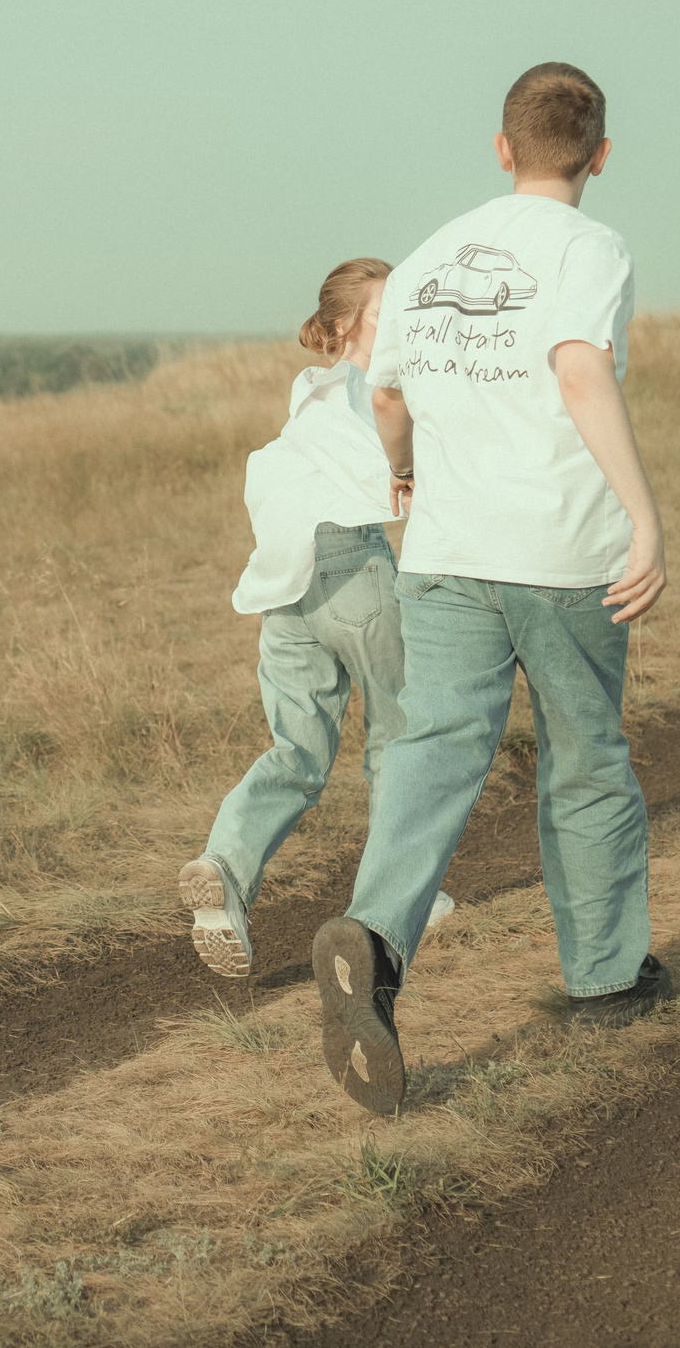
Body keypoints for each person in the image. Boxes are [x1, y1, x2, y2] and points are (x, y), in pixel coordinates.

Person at [312, 62, 670, 1116]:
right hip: (561, 555)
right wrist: (643, 517)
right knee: (585, 758)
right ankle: (606, 979)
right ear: (599, 153)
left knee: (431, 756)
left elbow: (382, 392)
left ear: (502, 149)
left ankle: (374, 944)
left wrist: (406, 470)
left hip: (445, 552)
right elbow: (576, 368)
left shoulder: (427, 256)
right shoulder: (592, 247)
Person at [178, 258, 454, 977]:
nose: (399, 321)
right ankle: (403, 898)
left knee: (296, 751)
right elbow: (412, 469)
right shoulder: (381, 383)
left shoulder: (310, 393)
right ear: (343, 327)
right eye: (384, 310)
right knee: (400, 735)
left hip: (286, 583)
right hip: (353, 568)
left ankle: (225, 868)